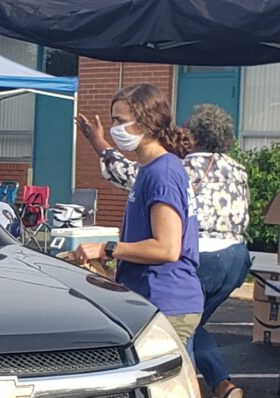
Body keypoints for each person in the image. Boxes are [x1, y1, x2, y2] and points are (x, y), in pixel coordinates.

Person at [80, 103, 250, 398]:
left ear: (193, 135)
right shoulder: (237, 170)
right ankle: (220, 384)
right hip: (237, 256)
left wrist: (98, 142)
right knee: (191, 324)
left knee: (177, 327)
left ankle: (204, 384)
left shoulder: (174, 167)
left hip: (200, 255)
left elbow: (128, 175)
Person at [73, 83, 204, 346]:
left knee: (162, 385)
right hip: (155, 299)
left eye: (120, 121)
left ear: (145, 122)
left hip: (165, 301)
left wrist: (108, 249)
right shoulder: (150, 168)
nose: (114, 128)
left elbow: (167, 248)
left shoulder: (162, 173)